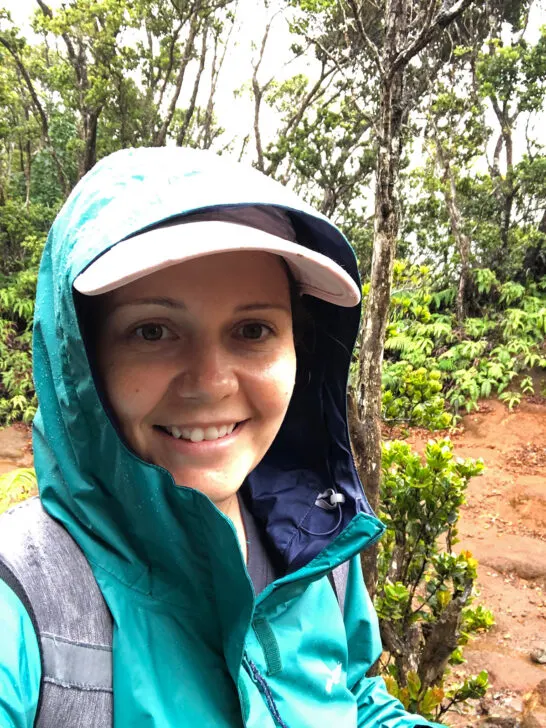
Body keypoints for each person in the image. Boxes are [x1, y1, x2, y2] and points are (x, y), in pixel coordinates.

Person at [0, 148, 441, 727]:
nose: (211, 382)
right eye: (152, 331)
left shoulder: (311, 542)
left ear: (297, 350)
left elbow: (352, 698)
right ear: (82, 361)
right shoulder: (25, 601)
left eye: (252, 330)